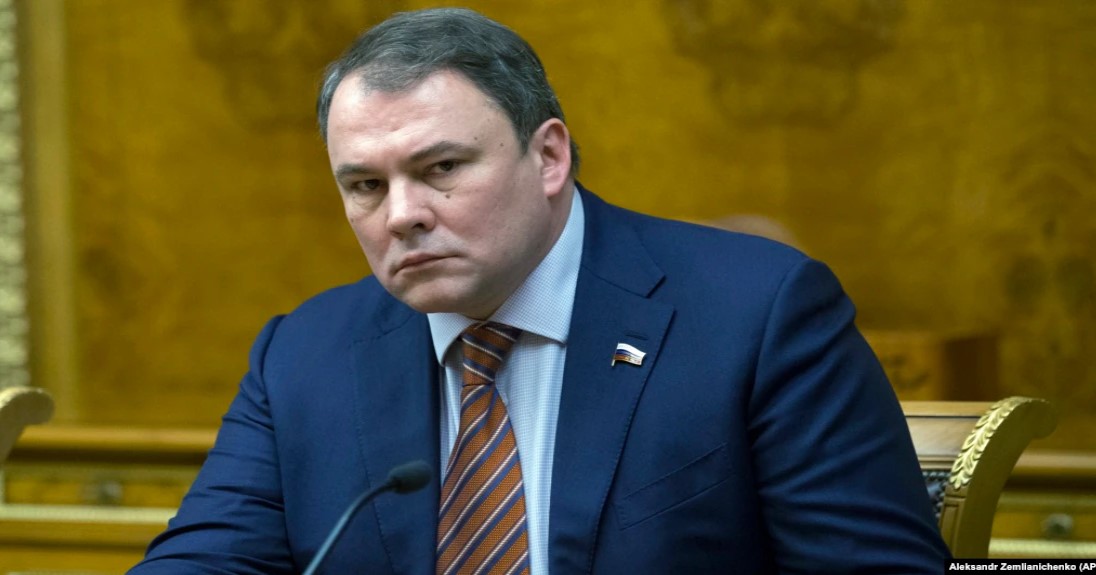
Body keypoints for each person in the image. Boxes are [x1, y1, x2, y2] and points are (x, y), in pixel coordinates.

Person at [130, 7, 950, 574]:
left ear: (549, 157)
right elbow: (205, 560)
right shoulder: (303, 356)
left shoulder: (757, 316)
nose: (403, 214)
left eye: (440, 167)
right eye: (365, 185)